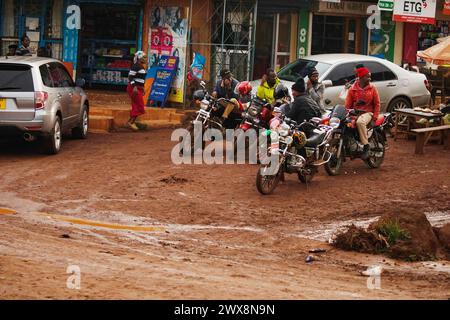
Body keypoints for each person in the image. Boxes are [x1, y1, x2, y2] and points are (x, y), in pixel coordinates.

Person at [345, 66, 380, 160]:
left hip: (368, 113)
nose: (369, 79)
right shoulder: (352, 89)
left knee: (360, 122)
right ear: (361, 77)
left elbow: (377, 104)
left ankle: (366, 146)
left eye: (370, 77)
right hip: (355, 113)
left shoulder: (372, 88)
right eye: (367, 77)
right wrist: (353, 106)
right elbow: (347, 106)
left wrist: (374, 118)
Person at [126, 51, 148, 131]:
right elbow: (130, 76)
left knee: (137, 105)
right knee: (139, 105)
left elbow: (141, 79)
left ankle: (131, 121)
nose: (145, 59)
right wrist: (134, 86)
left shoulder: (141, 66)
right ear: (139, 58)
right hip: (133, 88)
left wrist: (142, 88)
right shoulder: (135, 66)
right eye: (144, 57)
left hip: (138, 88)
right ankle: (130, 122)